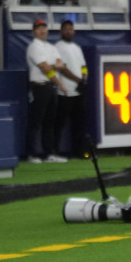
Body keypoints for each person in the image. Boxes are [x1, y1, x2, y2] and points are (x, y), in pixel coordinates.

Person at [25, 19, 80, 163]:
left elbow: (59, 66)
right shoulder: (34, 46)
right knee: (36, 121)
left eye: (44, 28)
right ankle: (32, 154)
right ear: (34, 32)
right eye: (38, 28)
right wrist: (55, 68)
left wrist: (58, 82)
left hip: (51, 87)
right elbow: (46, 68)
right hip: (39, 86)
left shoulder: (51, 47)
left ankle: (49, 153)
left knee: (49, 122)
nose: (42, 30)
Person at [54, 20, 88, 158]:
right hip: (65, 91)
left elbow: (83, 66)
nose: (69, 31)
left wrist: (84, 79)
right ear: (61, 31)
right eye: (66, 29)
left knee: (79, 124)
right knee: (60, 123)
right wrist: (78, 80)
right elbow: (62, 69)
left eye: (71, 29)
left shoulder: (77, 48)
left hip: (78, 91)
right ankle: (55, 151)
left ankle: (79, 152)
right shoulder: (57, 47)